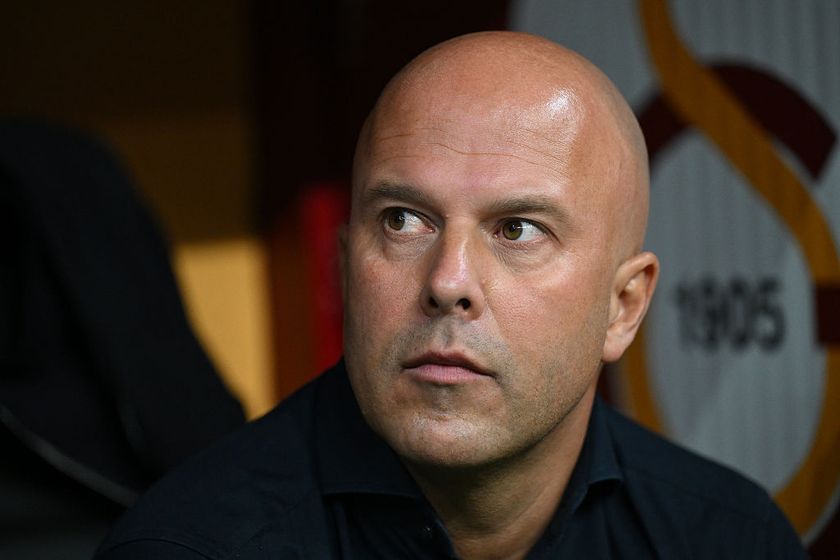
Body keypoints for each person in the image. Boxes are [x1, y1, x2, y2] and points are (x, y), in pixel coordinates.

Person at [95, 31, 807, 559]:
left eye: (517, 229)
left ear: (623, 307)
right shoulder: (191, 548)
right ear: (345, 270)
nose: (447, 282)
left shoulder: (730, 539)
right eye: (403, 220)